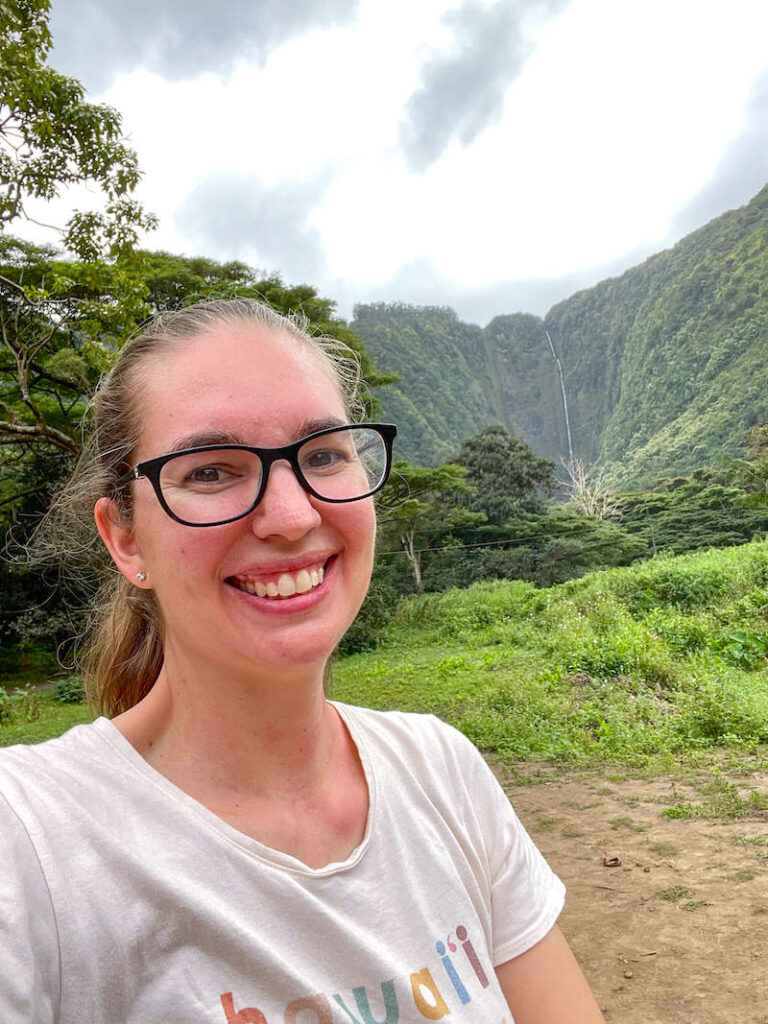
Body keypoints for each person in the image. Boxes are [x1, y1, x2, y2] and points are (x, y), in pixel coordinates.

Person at [0, 299, 605, 1023]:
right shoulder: (31, 848)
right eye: (211, 472)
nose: (291, 517)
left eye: (322, 455)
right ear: (125, 539)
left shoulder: (442, 771)